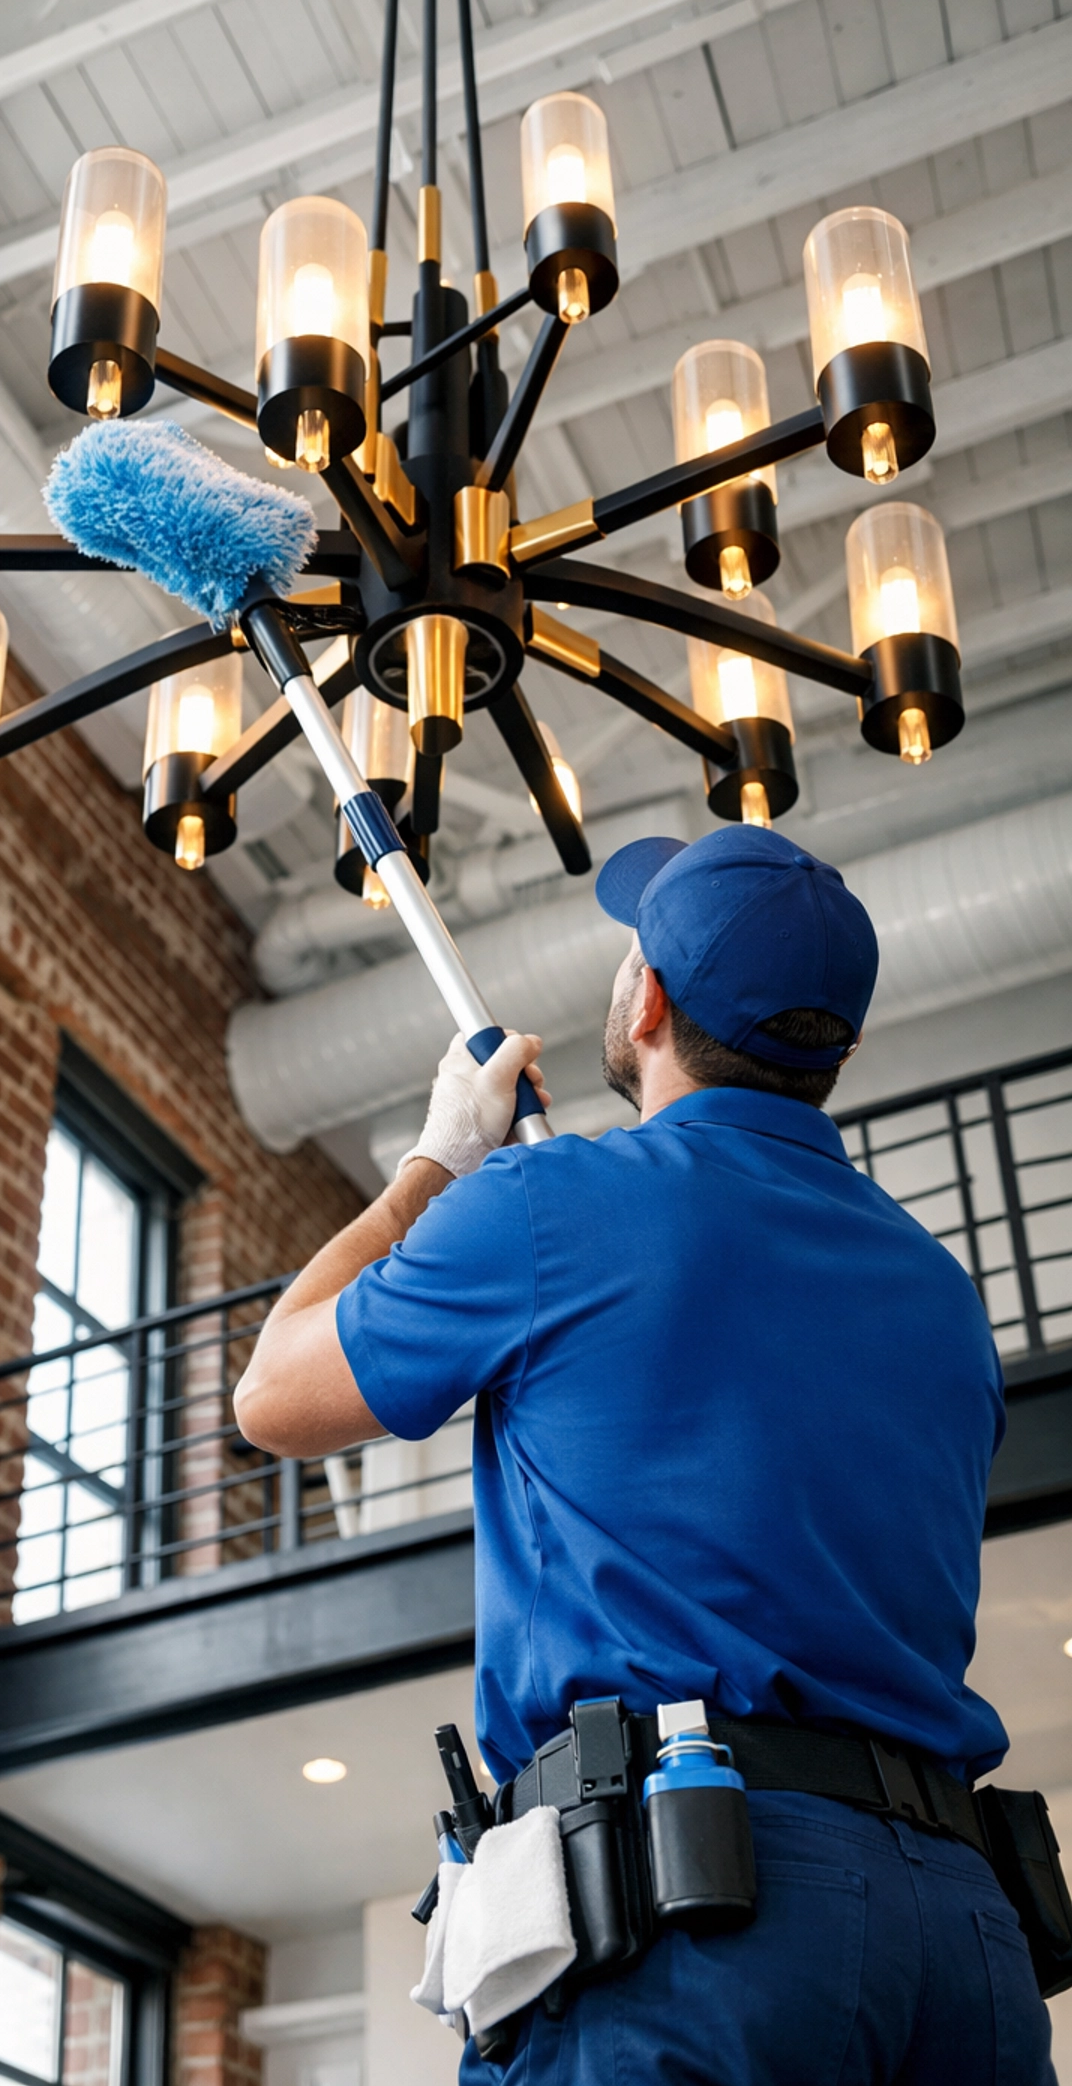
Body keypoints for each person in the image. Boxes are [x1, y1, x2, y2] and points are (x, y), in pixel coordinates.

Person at [235, 824, 1053, 2086]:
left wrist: (436, 1164)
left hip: (702, 1920)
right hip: (959, 1936)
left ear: (649, 1000)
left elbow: (273, 1395)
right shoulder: (941, 1292)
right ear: (832, 1046)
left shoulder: (547, 1204)